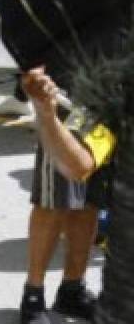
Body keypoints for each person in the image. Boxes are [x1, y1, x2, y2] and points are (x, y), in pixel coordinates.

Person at [18, 67, 114, 324]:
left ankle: (72, 289)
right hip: (66, 94)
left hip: (114, 96)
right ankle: (33, 295)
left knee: (91, 200)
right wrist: (35, 78)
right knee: (53, 201)